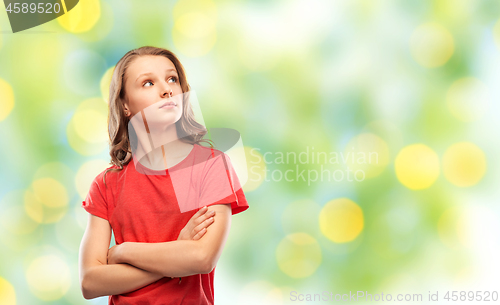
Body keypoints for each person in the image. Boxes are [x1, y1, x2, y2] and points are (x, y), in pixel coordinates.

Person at [78, 46, 249, 305]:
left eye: (172, 79)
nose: (167, 89)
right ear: (125, 105)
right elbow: (90, 282)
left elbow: (202, 259)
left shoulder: (211, 166)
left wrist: (125, 251)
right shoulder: (106, 184)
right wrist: (177, 253)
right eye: (148, 83)